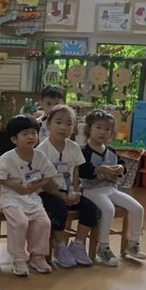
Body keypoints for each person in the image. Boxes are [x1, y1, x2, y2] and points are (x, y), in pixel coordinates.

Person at [79, 110, 146, 266]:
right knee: (108, 210)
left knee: (138, 208)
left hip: (111, 189)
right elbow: (83, 171)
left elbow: (122, 166)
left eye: (107, 129)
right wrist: (100, 170)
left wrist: (120, 168)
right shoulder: (84, 151)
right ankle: (103, 247)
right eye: (98, 127)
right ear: (89, 129)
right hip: (91, 191)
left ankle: (133, 243)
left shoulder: (111, 151)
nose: (103, 132)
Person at [0, 115, 56, 277]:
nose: (30, 137)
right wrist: (15, 186)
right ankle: (19, 259)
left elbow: (49, 175)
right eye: (25, 134)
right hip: (11, 199)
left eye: (33, 133)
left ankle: (37, 257)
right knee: (20, 222)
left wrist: (36, 186)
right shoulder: (8, 157)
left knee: (44, 222)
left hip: (32, 198)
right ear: (14, 139)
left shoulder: (40, 156)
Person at [36, 104, 98, 268]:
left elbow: (75, 171)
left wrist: (75, 192)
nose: (63, 127)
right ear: (48, 125)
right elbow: (43, 180)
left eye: (69, 124)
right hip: (47, 192)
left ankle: (78, 244)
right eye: (58, 122)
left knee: (91, 208)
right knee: (59, 209)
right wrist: (60, 195)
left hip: (68, 190)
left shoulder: (74, 147)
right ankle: (60, 246)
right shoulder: (42, 149)